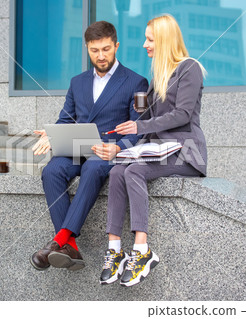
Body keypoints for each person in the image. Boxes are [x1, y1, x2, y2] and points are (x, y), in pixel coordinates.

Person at [30, 21, 148, 271]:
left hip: (107, 151)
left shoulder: (136, 82)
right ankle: (69, 245)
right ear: (87, 48)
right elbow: (65, 118)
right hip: (76, 148)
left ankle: (59, 241)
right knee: (51, 171)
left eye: (106, 49)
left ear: (116, 46)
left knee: (94, 169)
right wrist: (52, 135)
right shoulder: (77, 82)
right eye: (95, 50)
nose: (101, 55)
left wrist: (118, 148)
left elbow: (138, 126)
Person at [99, 14, 207, 287]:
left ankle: (142, 250)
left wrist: (141, 125)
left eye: (149, 39)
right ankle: (114, 249)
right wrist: (121, 145)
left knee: (134, 170)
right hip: (158, 150)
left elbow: (182, 115)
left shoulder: (189, 68)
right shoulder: (157, 76)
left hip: (185, 152)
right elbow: (145, 125)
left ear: (164, 40)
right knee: (118, 171)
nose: (144, 44)